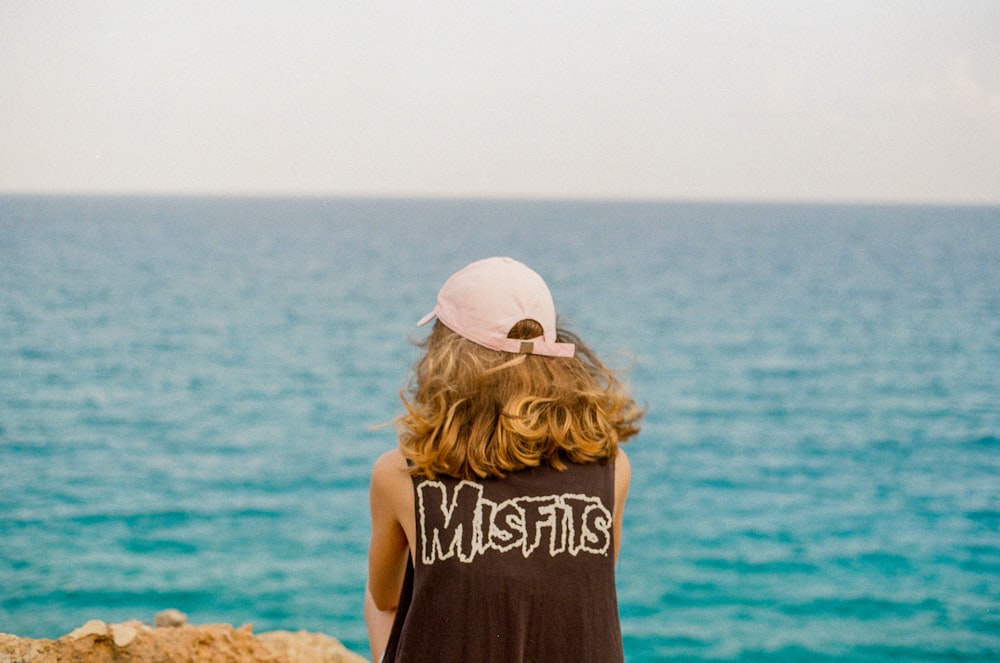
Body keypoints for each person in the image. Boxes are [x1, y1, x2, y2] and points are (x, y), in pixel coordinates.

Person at [365, 256, 643, 663]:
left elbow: (383, 596)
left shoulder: (401, 473)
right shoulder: (612, 468)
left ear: (446, 357)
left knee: (381, 603)